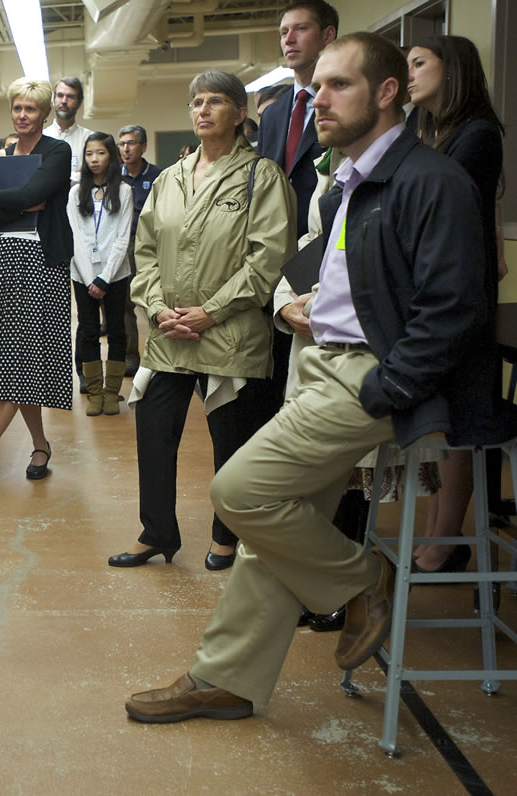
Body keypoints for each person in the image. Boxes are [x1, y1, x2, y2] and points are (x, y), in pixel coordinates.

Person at [125, 32, 498, 723]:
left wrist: (384, 388)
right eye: (317, 86)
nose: (318, 99)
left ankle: (365, 580)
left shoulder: (428, 181)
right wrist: (303, 304)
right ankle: (228, 676)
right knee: (280, 523)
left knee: (240, 492)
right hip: (324, 362)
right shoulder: (356, 179)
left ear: (387, 94)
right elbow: (354, 280)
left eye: (339, 86)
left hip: (369, 380)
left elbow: (453, 309)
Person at [107, 71, 296, 571]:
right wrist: (157, 306)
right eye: (196, 102)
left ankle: (225, 536)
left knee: (231, 441)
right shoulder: (170, 177)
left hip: (229, 332)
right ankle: (157, 532)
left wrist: (211, 311)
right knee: (153, 427)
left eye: (216, 102)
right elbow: (143, 252)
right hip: (170, 333)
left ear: (239, 114)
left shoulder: (262, 177)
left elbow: (268, 259)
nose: (203, 110)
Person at [406, 35, 508, 574]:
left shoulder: (476, 136)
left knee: (460, 426)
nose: (411, 74)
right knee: (436, 427)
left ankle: (446, 541)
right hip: (441, 295)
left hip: (462, 300)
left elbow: (441, 212)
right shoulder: (437, 134)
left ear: (454, 70)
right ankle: (433, 534)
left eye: (420, 64)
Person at [0, 77, 73, 491]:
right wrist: (16, 200)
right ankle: (41, 444)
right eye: (17, 108)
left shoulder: (58, 151)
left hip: (42, 261)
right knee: (13, 358)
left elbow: (38, 191)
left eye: (30, 109)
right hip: (0, 261)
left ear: (44, 113)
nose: (22, 115)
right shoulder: (1, 155)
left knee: (23, 357)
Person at [258, 1, 339, 411]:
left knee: (311, 367)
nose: (288, 39)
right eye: (283, 31)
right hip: (273, 249)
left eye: (300, 29)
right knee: (274, 367)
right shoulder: (274, 114)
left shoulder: (338, 108)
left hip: (323, 248)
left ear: (327, 35)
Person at [67, 132, 133, 416]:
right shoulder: (74, 193)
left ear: (112, 156)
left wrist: (105, 277)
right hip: (82, 275)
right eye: (89, 154)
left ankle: (112, 392)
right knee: (89, 331)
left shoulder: (125, 191)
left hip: (116, 274)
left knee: (117, 331)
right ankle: (94, 392)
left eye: (101, 153)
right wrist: (89, 277)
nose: (94, 159)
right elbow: (75, 238)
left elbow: (122, 238)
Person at [117, 124, 163, 377]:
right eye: (122, 144)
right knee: (124, 305)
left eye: (131, 143)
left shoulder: (158, 175)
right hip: (122, 246)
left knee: (153, 301)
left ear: (143, 147)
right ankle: (130, 357)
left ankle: (159, 355)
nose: (126, 149)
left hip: (149, 247)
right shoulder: (114, 176)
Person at [43, 77, 93, 180]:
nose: (64, 101)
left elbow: (91, 176)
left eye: (70, 96)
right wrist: (76, 174)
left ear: (79, 102)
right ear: (53, 99)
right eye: (60, 95)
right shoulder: (41, 137)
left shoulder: (90, 139)